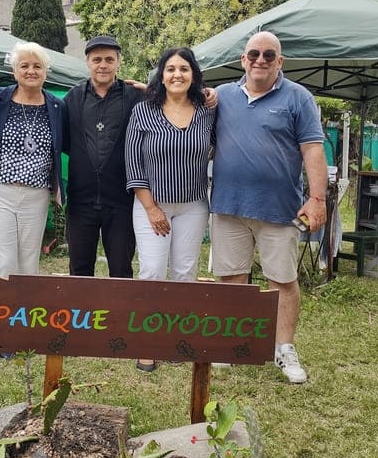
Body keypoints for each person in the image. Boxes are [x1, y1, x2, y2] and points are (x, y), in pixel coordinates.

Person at [210, 31, 327, 384]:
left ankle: (284, 348)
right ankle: (234, 343)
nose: (260, 60)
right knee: (231, 278)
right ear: (243, 60)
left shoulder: (298, 98)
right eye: (254, 54)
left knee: (282, 280)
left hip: (279, 209)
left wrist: (317, 199)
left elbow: (313, 151)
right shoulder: (223, 97)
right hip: (229, 206)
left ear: (280, 61)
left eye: (269, 55)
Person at [125, 47, 215, 372]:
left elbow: (218, 144)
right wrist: (151, 208)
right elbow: (133, 162)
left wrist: (214, 94)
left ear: (194, 75)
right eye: (171, 68)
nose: (177, 74)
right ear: (161, 75)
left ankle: (177, 339)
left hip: (193, 206)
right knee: (151, 271)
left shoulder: (207, 111)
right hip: (152, 205)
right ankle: (148, 343)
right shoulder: (143, 112)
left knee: (184, 273)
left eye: (184, 69)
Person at [0, 41, 66, 281]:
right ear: (14, 71)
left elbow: (63, 145)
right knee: (5, 263)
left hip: (36, 196)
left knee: (29, 265)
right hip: (0, 194)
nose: (31, 71)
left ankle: (25, 318)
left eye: (37, 66)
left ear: (46, 71)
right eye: (24, 65)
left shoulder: (57, 106)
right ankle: (4, 318)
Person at [62, 36, 143, 279]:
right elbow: (64, 141)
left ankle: (117, 318)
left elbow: (173, 100)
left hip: (121, 201)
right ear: (87, 62)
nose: (103, 65)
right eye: (97, 60)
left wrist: (151, 89)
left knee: (120, 271)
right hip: (81, 201)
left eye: (109, 59)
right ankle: (84, 317)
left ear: (118, 62)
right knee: (79, 270)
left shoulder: (135, 97)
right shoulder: (72, 99)